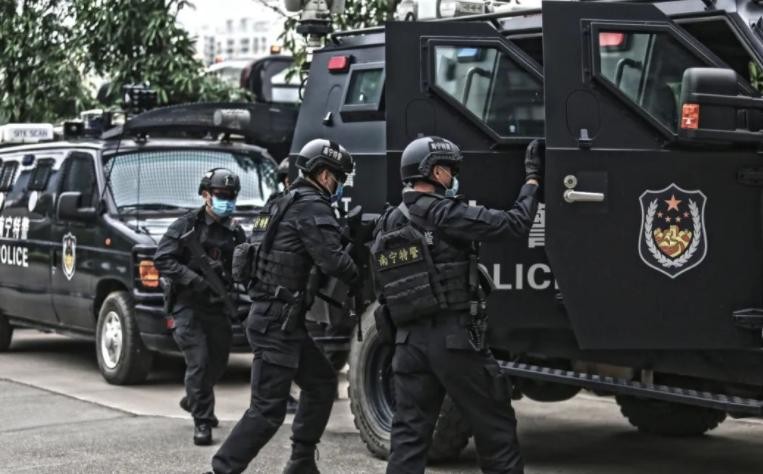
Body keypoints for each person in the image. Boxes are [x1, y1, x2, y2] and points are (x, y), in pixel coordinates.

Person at [373, 136, 542, 474]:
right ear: (435, 171)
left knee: (408, 438)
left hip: (407, 344)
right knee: (495, 428)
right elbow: (514, 223)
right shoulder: (445, 213)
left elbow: (382, 285)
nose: (453, 177)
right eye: (450, 170)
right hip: (454, 342)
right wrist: (532, 179)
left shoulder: (388, 221)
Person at [211, 139, 358, 474]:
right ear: (324, 175)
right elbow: (333, 261)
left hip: (278, 319)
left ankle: (301, 461)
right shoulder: (312, 206)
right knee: (266, 411)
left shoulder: (280, 202)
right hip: (276, 322)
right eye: (338, 177)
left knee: (321, 383)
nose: (339, 185)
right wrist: (358, 268)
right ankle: (221, 470)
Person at [154, 168, 246, 446]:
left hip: (217, 305)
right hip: (187, 305)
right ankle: (202, 421)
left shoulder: (235, 231)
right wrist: (194, 279)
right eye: (220, 195)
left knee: (218, 362)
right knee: (200, 361)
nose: (226, 200)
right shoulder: (186, 225)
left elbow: (244, 266)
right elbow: (162, 259)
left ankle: (194, 398)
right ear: (206, 195)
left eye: (231, 196)